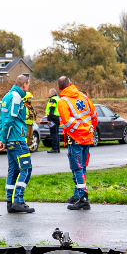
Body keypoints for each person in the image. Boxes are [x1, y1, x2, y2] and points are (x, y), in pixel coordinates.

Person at [55, 76, 97, 210]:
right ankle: (77, 194)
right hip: (87, 137)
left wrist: (77, 131)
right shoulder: (83, 96)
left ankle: (83, 198)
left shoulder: (63, 101)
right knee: (82, 166)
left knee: (77, 167)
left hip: (75, 138)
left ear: (59, 88)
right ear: (71, 84)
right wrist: (89, 129)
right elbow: (94, 114)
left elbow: (67, 122)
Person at [0, 74, 35, 214]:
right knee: (26, 169)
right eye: (28, 85)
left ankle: (10, 202)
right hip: (17, 139)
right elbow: (10, 120)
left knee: (13, 170)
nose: (28, 88)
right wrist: (4, 138)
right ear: (24, 85)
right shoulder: (16, 97)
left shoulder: (7, 96)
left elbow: (2, 120)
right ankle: (18, 200)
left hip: (10, 139)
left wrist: (1, 138)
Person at [43, 88, 62, 153]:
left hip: (53, 118)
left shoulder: (53, 100)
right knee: (56, 133)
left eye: (49, 92)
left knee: (53, 133)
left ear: (52, 93)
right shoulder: (58, 99)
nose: (49, 94)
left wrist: (49, 119)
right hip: (57, 117)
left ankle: (55, 148)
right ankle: (57, 147)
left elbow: (51, 109)